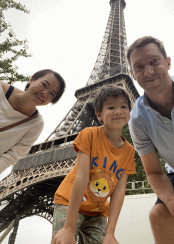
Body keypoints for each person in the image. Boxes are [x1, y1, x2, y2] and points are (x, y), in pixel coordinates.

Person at [51, 84, 136, 244]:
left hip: (97, 211)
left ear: (129, 113)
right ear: (99, 115)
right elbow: (81, 177)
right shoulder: (89, 134)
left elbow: (119, 191)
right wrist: (69, 228)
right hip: (69, 202)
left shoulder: (129, 151)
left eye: (124, 107)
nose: (118, 111)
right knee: (63, 240)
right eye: (111, 107)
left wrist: (110, 233)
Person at [127, 36, 174, 244]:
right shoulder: (136, 119)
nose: (149, 71)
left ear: (168, 62)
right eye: (139, 66)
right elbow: (154, 171)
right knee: (158, 217)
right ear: (132, 74)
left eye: (154, 61)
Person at [0, 69, 65, 174]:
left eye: (52, 94)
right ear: (31, 80)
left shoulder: (36, 125)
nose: (45, 93)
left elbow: (11, 156)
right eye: (44, 84)